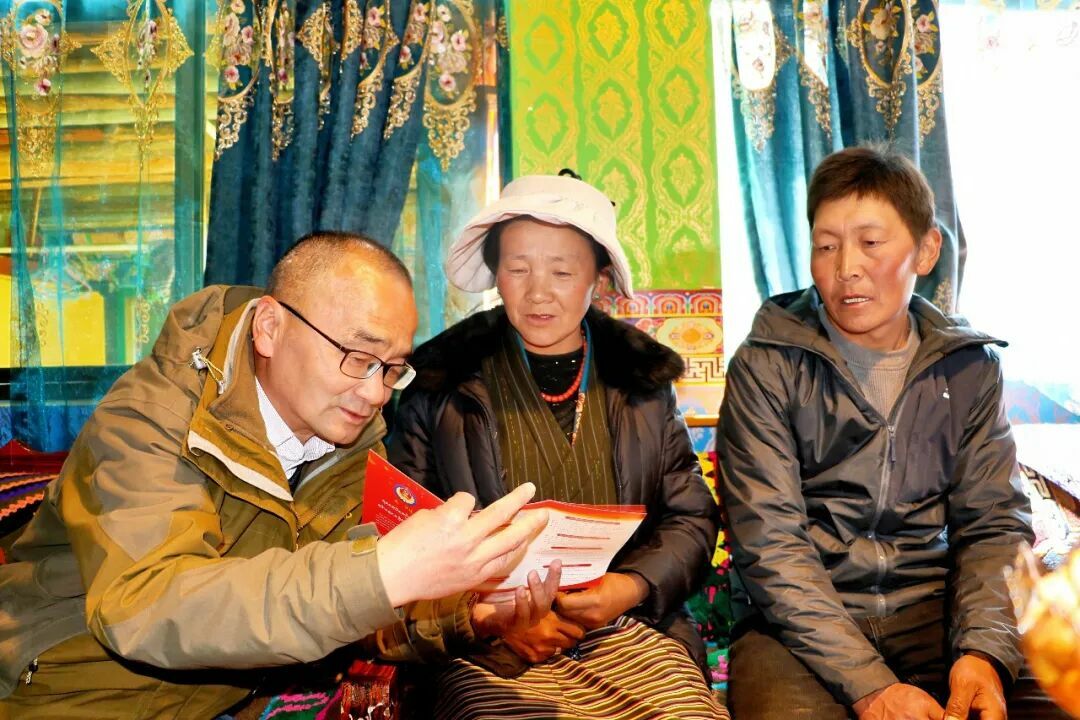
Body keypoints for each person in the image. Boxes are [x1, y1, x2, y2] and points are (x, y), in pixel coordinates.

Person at [0, 232, 557, 719]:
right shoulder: (151, 420)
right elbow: (150, 605)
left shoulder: (347, 443)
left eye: (391, 368)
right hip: (69, 692)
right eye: (357, 355)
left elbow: (348, 611)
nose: (374, 392)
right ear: (269, 328)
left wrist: (472, 616)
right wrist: (383, 573)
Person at [717, 146, 1063, 720]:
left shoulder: (969, 368)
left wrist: (982, 652)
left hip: (935, 613)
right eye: (826, 246)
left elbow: (993, 525)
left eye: (870, 243)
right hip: (798, 628)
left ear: (926, 250)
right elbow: (770, 546)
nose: (846, 267)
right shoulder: (766, 364)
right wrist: (872, 687)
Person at [389, 172, 727, 719]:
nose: (538, 292)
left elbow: (690, 517)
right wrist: (489, 618)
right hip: (483, 645)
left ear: (598, 276)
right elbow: (401, 534)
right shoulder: (439, 383)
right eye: (518, 268)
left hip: (628, 628)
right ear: (496, 272)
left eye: (562, 272)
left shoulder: (641, 382)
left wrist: (629, 586)